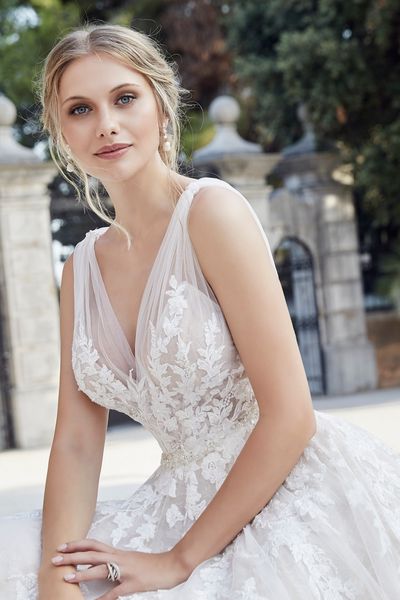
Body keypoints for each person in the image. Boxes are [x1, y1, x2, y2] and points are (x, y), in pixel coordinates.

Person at [1, 21, 400, 600]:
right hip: (174, 497)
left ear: (161, 109)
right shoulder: (80, 269)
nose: (106, 123)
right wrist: (53, 579)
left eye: (125, 98)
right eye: (80, 109)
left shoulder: (212, 214)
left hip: (281, 486)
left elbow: (291, 413)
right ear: (62, 133)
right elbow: (77, 444)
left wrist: (177, 560)